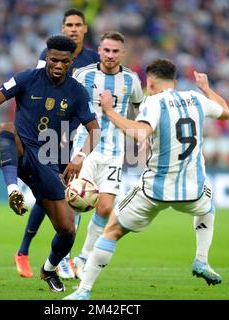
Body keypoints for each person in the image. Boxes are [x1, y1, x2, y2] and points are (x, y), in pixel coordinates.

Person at [64, 59, 229, 300]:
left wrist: (109, 111)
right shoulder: (196, 99)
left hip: (155, 190)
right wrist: (206, 88)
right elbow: (225, 112)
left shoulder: (153, 103)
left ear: (149, 83)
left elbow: (140, 133)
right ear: (174, 82)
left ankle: (83, 291)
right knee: (207, 206)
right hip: (192, 190)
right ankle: (201, 259)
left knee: (111, 231)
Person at [0, 35, 100, 293]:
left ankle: (49, 269)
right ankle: (13, 190)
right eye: (53, 59)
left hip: (49, 163)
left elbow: (94, 130)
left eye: (63, 61)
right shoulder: (27, 78)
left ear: (71, 61)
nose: (57, 65)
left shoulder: (77, 92)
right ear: (46, 56)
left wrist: (79, 157)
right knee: (5, 129)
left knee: (67, 230)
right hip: (21, 150)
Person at [16, 8, 100, 279]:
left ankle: (61, 260)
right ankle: (25, 250)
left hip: (78, 135)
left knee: (71, 193)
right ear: (63, 29)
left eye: (78, 25)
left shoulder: (94, 59)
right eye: (69, 25)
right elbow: (40, 93)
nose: (73, 29)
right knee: (50, 190)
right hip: (53, 135)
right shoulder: (49, 57)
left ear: (84, 29)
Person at [70, 31, 144, 280]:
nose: (110, 55)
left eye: (115, 51)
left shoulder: (132, 81)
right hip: (86, 148)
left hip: (115, 153)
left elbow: (136, 111)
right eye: (106, 50)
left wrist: (139, 138)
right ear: (99, 50)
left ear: (122, 53)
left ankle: (82, 258)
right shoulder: (83, 75)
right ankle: (62, 259)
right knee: (75, 202)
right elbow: (70, 105)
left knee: (104, 208)